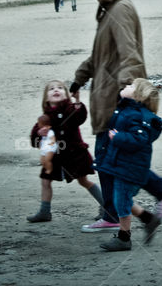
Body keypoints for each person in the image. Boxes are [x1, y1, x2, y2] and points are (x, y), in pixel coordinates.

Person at [69, 0, 162, 237]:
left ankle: (156, 194)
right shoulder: (110, 11)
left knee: (111, 159)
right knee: (109, 159)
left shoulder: (120, 10)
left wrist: (131, 97)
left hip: (117, 100)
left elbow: (131, 55)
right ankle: (113, 212)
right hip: (108, 97)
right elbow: (98, 57)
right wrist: (78, 79)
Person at [96, 79, 162, 251]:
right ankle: (148, 219)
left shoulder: (135, 114)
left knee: (121, 201)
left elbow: (140, 139)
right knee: (121, 199)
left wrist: (118, 137)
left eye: (130, 86)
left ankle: (124, 238)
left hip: (130, 168)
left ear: (138, 95)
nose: (125, 87)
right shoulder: (128, 110)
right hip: (123, 165)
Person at [26, 80, 104, 223]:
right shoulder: (45, 118)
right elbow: (34, 141)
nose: (56, 90)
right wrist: (39, 133)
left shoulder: (70, 109)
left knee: (84, 181)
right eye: (52, 89)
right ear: (46, 98)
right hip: (54, 158)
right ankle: (44, 212)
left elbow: (80, 116)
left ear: (66, 95)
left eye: (60, 88)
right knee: (45, 181)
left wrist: (78, 100)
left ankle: (106, 207)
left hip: (75, 155)